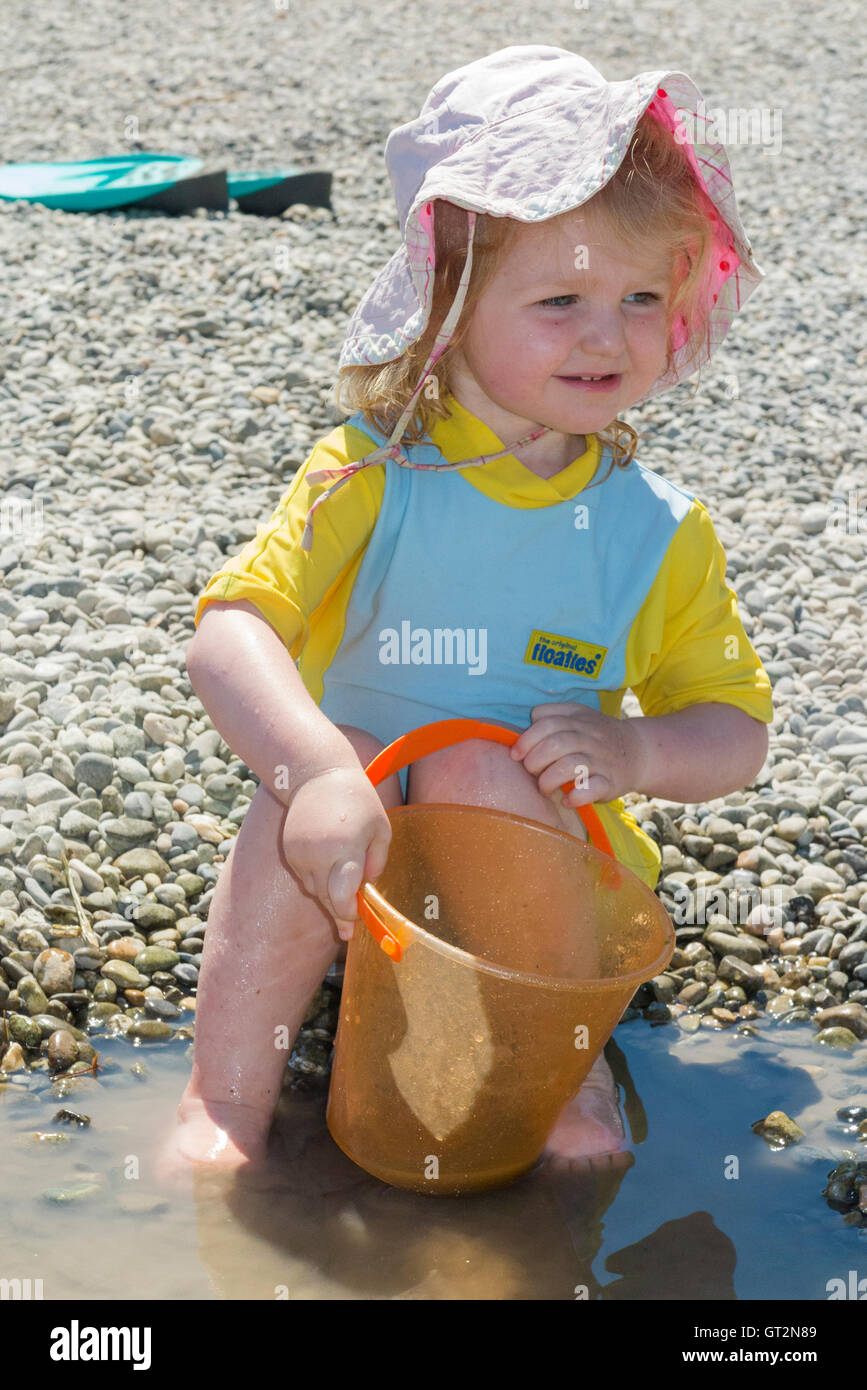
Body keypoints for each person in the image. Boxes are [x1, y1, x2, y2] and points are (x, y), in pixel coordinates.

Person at [158, 46, 774, 1178]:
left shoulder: (655, 531)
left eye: (642, 298)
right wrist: (315, 773)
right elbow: (227, 634)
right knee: (337, 746)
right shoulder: (373, 473)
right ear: (449, 297)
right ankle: (225, 1099)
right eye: (562, 301)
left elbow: (734, 728)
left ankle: (559, 1083)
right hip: (347, 858)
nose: (607, 334)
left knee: (492, 764)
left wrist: (636, 746)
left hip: (530, 890)